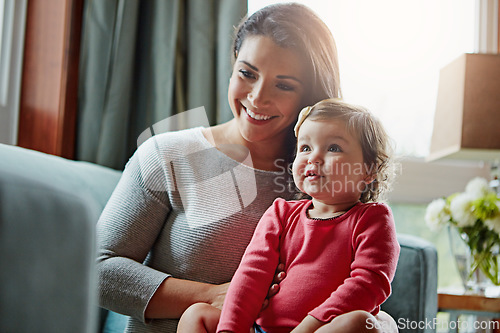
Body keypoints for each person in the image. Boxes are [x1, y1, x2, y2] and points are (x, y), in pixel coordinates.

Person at [97, 3, 396, 333]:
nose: (257, 97)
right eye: (247, 73)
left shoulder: (321, 179)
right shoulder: (166, 155)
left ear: (308, 98)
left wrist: (379, 325)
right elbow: (97, 271)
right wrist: (214, 297)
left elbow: (363, 284)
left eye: (284, 85)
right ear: (232, 65)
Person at [177, 98, 400, 333]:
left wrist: (309, 327)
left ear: (368, 170)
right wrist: (231, 330)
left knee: (360, 323)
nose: (313, 157)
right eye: (305, 148)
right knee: (196, 315)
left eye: (333, 148)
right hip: (261, 329)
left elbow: (368, 284)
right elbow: (251, 276)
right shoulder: (281, 213)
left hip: (319, 330)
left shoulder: (373, 219)